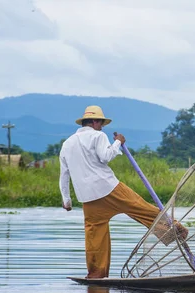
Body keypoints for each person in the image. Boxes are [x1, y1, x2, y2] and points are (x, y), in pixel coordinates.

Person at [59, 105, 186, 278]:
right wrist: (118, 141)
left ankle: (97, 274)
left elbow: (64, 174)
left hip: (87, 197)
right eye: (101, 123)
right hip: (108, 188)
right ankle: (176, 231)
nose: (102, 126)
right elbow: (106, 156)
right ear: (95, 122)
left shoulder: (67, 144)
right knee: (140, 208)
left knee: (95, 237)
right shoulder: (98, 135)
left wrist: (66, 199)